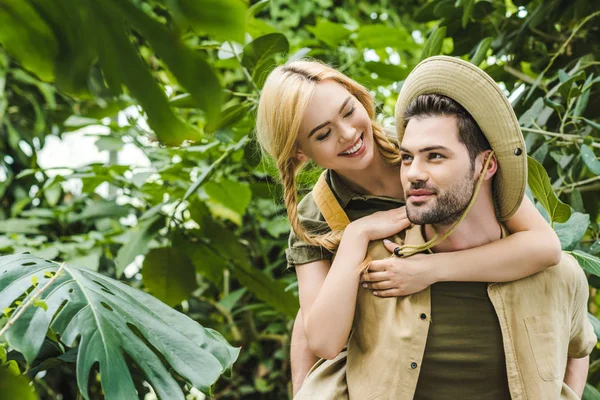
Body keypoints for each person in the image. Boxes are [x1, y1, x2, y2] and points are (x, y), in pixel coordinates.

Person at [294, 56, 596, 399]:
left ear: (487, 164)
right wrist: (356, 235)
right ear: (300, 152)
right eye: (408, 158)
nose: (413, 173)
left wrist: (431, 269)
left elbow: (574, 346)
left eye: (434, 156)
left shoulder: (557, 276)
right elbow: (315, 333)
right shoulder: (368, 269)